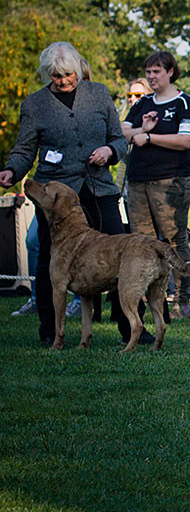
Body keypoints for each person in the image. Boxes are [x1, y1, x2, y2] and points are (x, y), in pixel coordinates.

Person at [0, 41, 146, 346]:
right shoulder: (34, 104)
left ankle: (132, 328)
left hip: (98, 188)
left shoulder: (99, 93)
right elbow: (25, 149)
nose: (64, 81)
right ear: (47, 75)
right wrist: (12, 171)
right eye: (56, 77)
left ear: (79, 68)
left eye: (69, 75)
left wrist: (109, 151)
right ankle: (50, 331)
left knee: (120, 254)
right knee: (48, 262)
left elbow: (119, 139)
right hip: (54, 197)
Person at [121, 52, 190, 320]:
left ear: (170, 72)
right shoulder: (142, 103)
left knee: (173, 239)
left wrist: (149, 136)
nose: (152, 76)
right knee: (142, 242)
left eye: (157, 71)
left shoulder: (183, 103)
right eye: (148, 71)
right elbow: (122, 132)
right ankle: (148, 301)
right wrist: (140, 131)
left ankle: (181, 301)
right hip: (138, 181)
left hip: (172, 181)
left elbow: (186, 140)